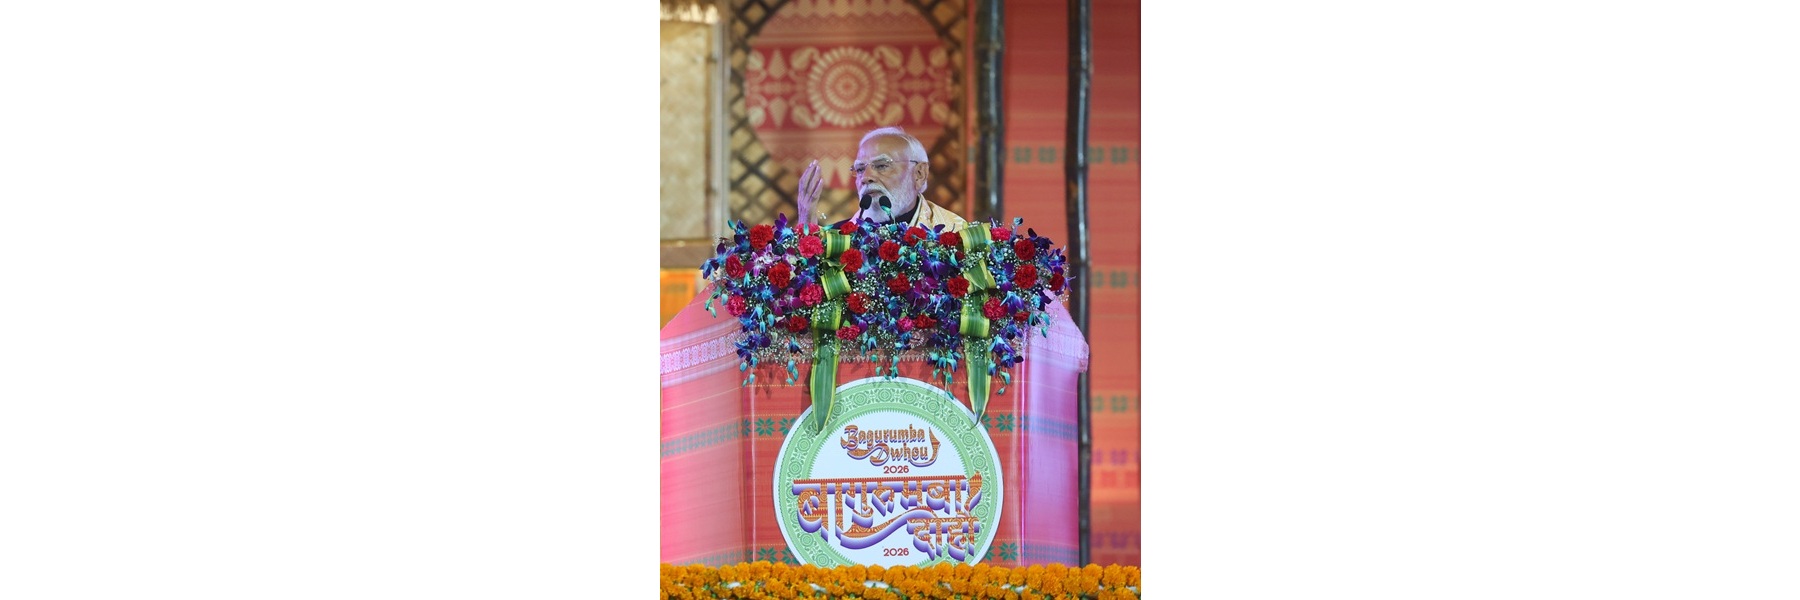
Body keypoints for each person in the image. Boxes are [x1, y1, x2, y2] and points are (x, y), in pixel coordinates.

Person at [796, 126, 967, 232]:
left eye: (882, 166)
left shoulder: (956, 234)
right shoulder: (837, 240)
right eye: (860, 169)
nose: (866, 178)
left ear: (919, 174)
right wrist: (807, 231)